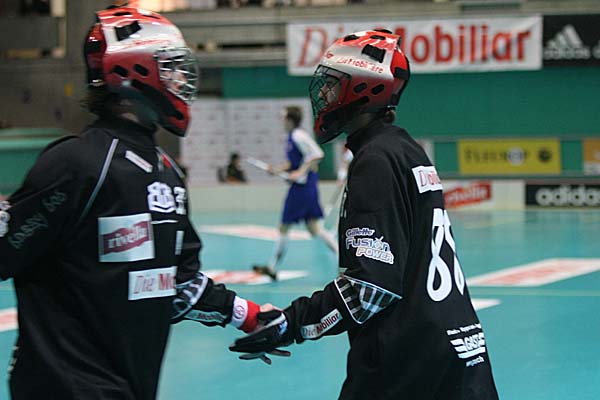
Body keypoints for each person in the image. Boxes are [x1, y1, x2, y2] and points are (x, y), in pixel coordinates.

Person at [0, 7, 266, 399]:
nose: (180, 79)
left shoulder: (166, 172)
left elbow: (179, 282)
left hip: (129, 386)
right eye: (170, 67)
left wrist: (248, 316)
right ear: (133, 69)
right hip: (63, 385)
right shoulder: (77, 163)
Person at [231, 30, 499, 399]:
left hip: (407, 362)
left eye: (333, 84)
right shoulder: (407, 150)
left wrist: (292, 322)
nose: (324, 95)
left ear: (362, 88)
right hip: (459, 351)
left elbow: (371, 288)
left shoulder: (376, 160)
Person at [252, 105, 337, 280]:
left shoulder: (299, 135)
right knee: (314, 228)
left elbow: (317, 154)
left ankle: (272, 267)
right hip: (303, 187)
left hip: (302, 188)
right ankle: (342, 256)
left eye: (283, 117)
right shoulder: (292, 137)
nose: (281, 121)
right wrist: (277, 169)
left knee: (285, 226)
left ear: (290, 120)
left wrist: (300, 172)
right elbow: (294, 163)